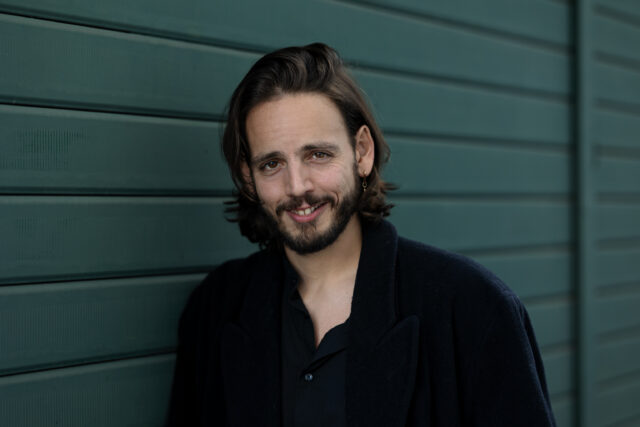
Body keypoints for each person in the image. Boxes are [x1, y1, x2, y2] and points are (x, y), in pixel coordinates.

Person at [167, 43, 556, 427]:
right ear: (249, 177)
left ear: (362, 152)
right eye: (272, 164)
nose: (297, 186)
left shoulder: (473, 307)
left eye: (318, 155)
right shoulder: (216, 308)